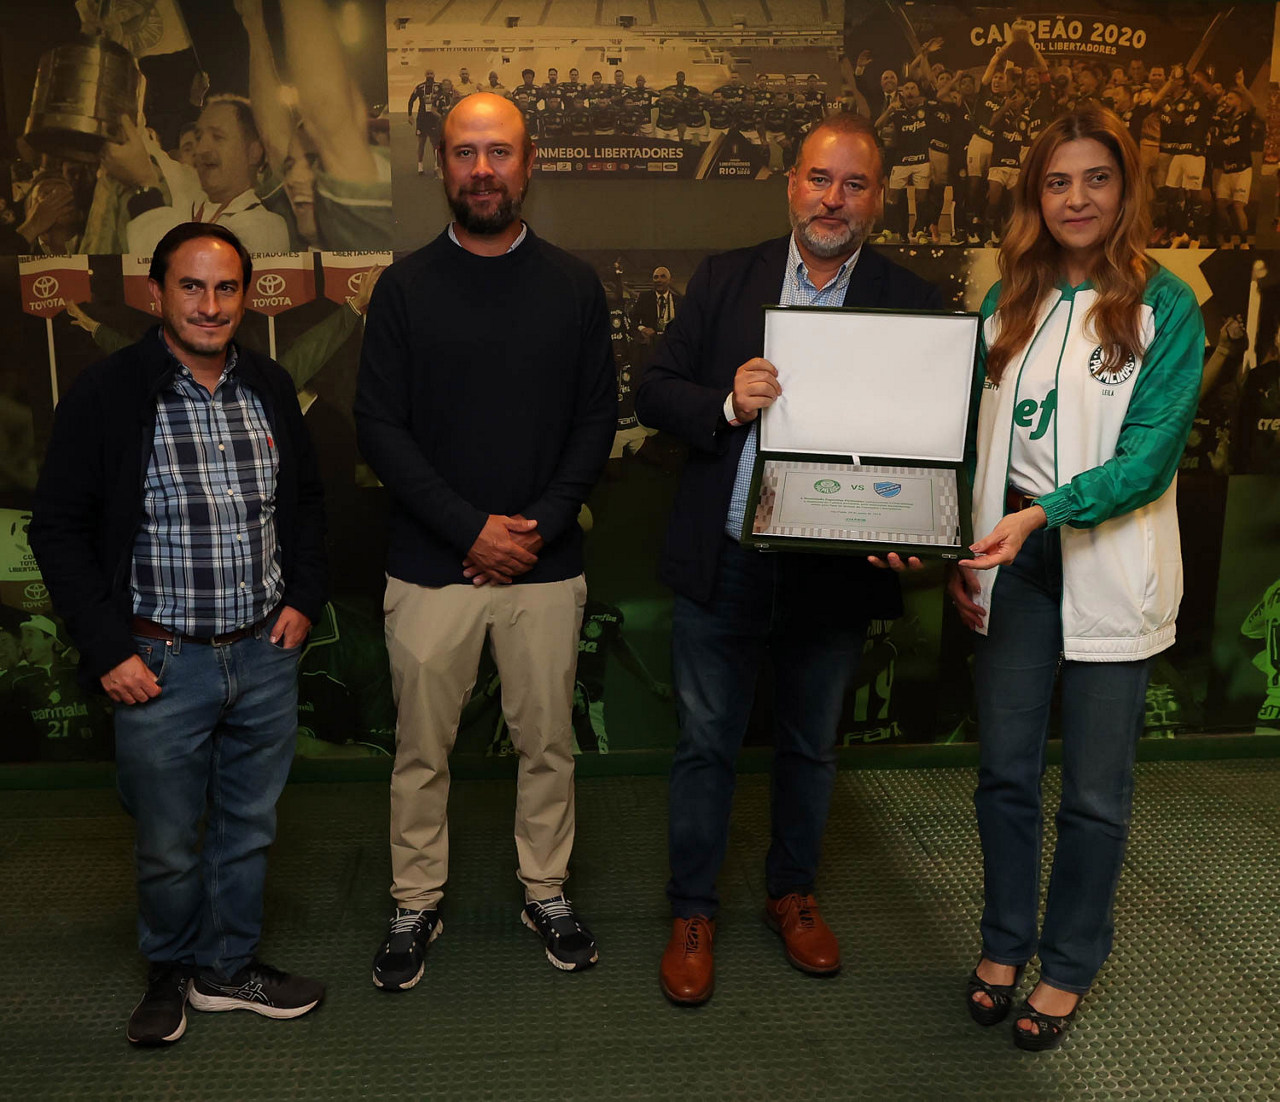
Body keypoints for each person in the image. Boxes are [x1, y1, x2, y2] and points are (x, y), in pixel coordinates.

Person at [634, 112, 941, 1006]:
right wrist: (728, 404)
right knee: (705, 747)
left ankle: (791, 894)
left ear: (878, 199)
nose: (833, 199)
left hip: (831, 571)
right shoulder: (726, 278)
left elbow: (931, 439)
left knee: (811, 747)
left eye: (854, 184)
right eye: (819, 178)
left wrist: (916, 524)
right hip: (726, 559)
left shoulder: (911, 300)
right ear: (790, 183)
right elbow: (654, 390)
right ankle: (694, 910)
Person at [29, 221, 328, 1046]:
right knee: (166, 843)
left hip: (263, 653)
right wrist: (108, 650)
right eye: (191, 286)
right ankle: (168, 971)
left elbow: (307, 502)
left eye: (226, 288)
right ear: (156, 293)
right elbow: (57, 527)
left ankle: (225, 970)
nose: (209, 304)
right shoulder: (107, 392)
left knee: (247, 828)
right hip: (157, 661)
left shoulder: (268, 385)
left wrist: (304, 598)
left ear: (246, 296)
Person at [949, 106, 1203, 1051]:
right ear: (1036, 196)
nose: (1077, 198)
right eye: (1057, 182)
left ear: (1125, 188)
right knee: (1004, 773)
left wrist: (1042, 514)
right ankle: (1004, 944)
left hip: (1106, 558)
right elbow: (976, 443)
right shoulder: (1004, 301)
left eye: (1097, 178)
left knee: (1095, 791)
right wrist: (966, 541)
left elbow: (1149, 460)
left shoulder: (1166, 305)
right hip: (1012, 562)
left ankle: (1068, 964)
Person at [353, 93, 615, 989]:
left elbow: (595, 422)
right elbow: (379, 428)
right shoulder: (403, 289)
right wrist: (470, 529)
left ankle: (546, 890)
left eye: (498, 152)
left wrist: (532, 529)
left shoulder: (574, 285)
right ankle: (414, 902)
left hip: (544, 565)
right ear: (441, 164)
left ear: (528, 162)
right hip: (432, 567)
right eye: (465, 152)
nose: (482, 170)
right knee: (421, 753)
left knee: (548, 746)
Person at [124, 96, 291, 256]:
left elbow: (192, 269)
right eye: (199, 138)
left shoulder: (266, 227)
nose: (200, 149)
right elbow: (146, 149)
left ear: (253, 152)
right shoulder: (193, 193)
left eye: (218, 137)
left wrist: (144, 184)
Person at [630, 266, 682, 342]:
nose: (658, 280)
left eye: (663, 277)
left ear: (670, 280)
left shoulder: (679, 301)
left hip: (672, 343)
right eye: (656, 277)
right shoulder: (644, 298)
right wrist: (643, 329)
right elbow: (633, 320)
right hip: (651, 344)